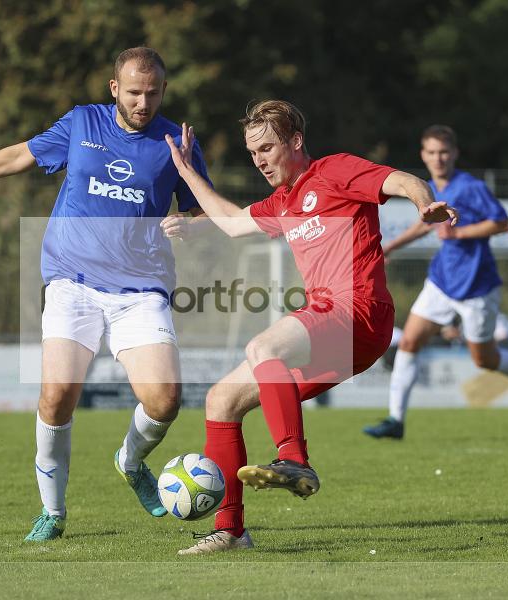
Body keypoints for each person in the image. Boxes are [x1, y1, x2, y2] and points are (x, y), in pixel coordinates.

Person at [0, 47, 211, 541]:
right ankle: (53, 512)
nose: (143, 102)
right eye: (134, 92)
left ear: (164, 91)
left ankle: (130, 462)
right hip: (72, 281)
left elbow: (203, 209)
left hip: (141, 288)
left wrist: (192, 227)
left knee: (164, 400)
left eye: (153, 93)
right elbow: (19, 155)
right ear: (115, 88)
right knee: (56, 398)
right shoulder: (82, 123)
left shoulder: (177, 142)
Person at [162, 100, 458, 554]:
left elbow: (400, 179)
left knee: (263, 347)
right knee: (221, 400)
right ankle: (231, 532)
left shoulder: (335, 171)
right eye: (252, 152)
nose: (259, 160)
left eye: (267, 148)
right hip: (340, 333)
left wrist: (424, 203)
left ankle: (295, 460)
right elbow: (230, 222)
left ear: (295, 141)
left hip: (359, 310)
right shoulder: (284, 201)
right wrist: (186, 176)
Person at [363, 125, 508, 441]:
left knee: (485, 359)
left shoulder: (471, 187)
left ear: (454, 154)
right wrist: (389, 249)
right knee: (410, 342)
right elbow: (425, 224)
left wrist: (461, 233)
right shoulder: (429, 187)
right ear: (423, 155)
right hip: (441, 281)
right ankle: (396, 420)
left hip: (476, 286)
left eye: (443, 152)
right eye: (431, 152)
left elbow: (503, 223)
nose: (438, 158)